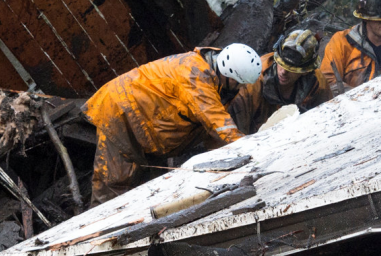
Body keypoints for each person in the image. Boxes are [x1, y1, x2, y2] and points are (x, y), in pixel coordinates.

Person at [84, 44, 262, 204]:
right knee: (113, 180)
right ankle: (94, 232)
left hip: (145, 119)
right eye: (238, 83)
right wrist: (249, 148)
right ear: (227, 72)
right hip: (121, 109)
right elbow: (217, 122)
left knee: (149, 183)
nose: (239, 89)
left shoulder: (216, 79)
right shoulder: (195, 74)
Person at [229, 29, 326, 134]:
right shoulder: (254, 80)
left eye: (291, 70)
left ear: (305, 72)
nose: (283, 72)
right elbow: (235, 132)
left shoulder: (316, 83)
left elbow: (326, 118)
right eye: (281, 64)